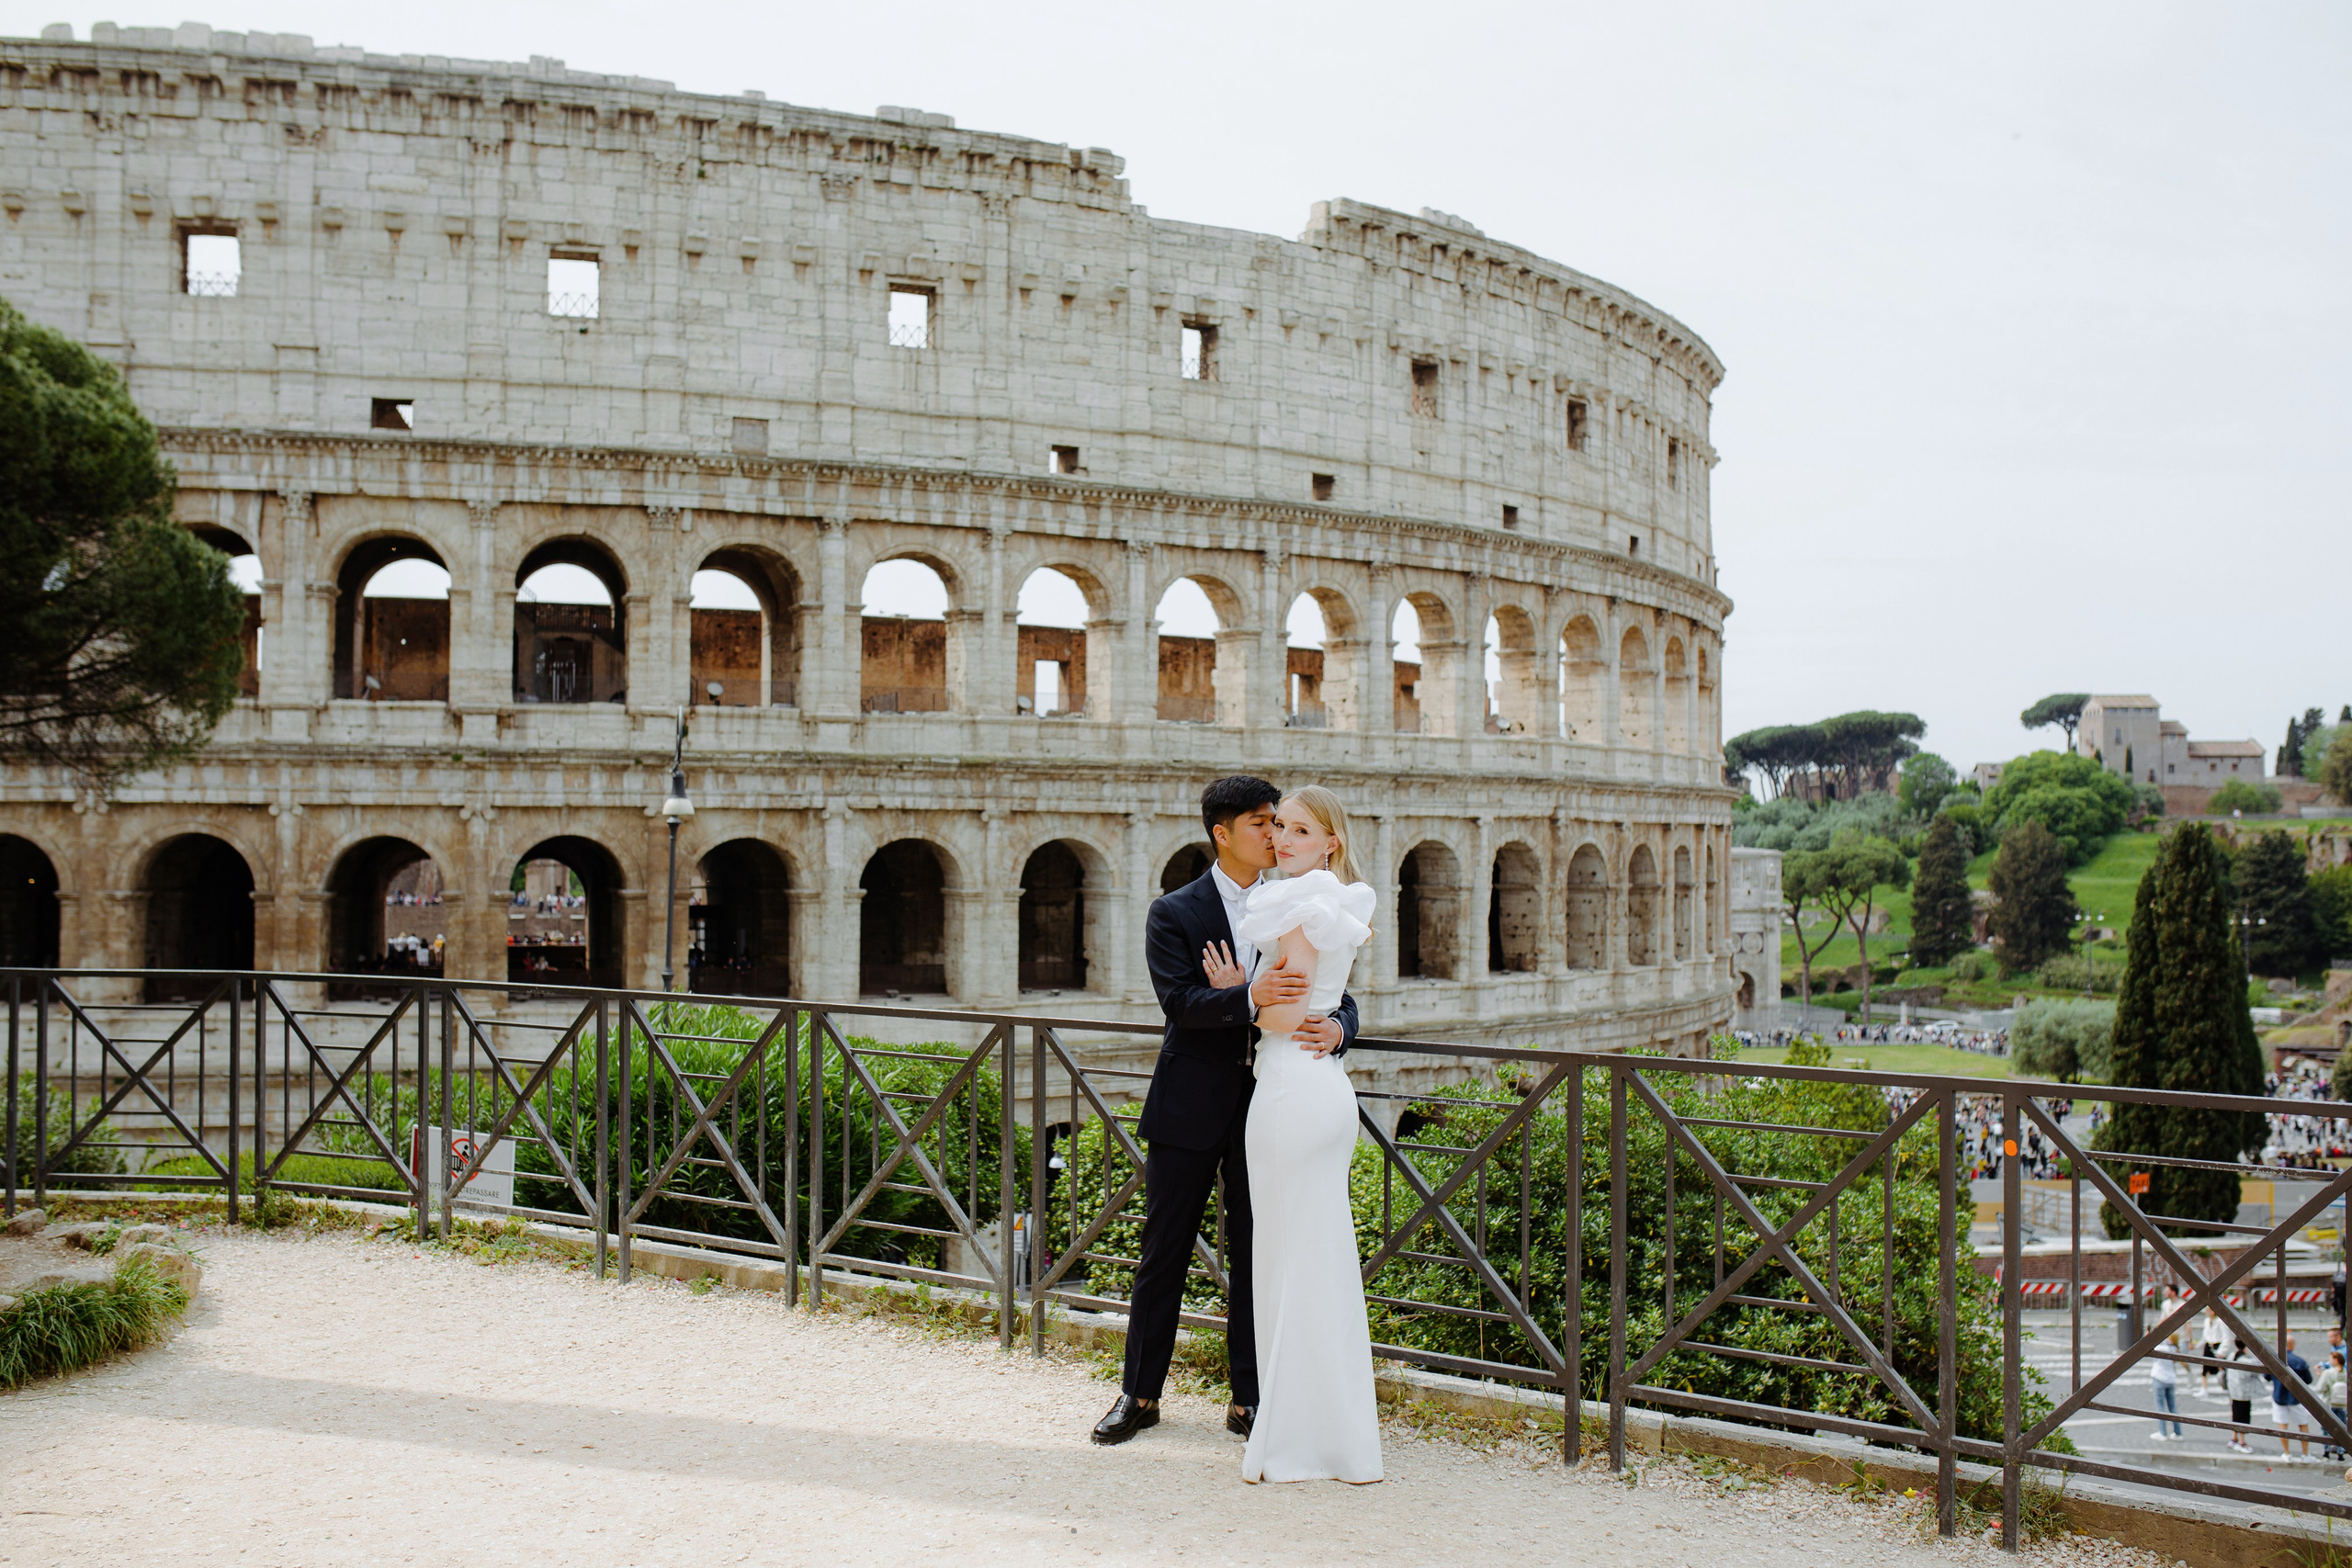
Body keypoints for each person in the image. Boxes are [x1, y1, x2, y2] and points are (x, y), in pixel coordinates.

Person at [1091, 777, 1360, 1449]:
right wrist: (1247, 999)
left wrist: (1344, 1026)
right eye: (1262, 823)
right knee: (1164, 1254)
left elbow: (1334, 985)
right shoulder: (1174, 910)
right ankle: (1140, 1392)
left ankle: (1249, 1399)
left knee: (1255, 1253)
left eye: (1282, 823)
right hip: (1190, 1102)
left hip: (1270, 1104)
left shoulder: (1294, 894)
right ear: (1223, 832)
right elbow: (1178, 1003)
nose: (1275, 834)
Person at [1228, 786, 1381, 1485]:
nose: (1283, 839)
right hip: (1323, 1092)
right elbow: (1320, 998)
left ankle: (1295, 1439)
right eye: (1279, 827)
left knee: (1289, 1259)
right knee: (1321, 1257)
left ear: (1330, 843)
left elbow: (1286, 1016)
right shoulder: (1337, 906)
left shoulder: (1297, 907)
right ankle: (1338, 1438)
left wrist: (1248, 998)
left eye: (1299, 830)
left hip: (1290, 1086)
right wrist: (1307, 1013)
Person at [2273, 1331, 2315, 1459]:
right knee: (2302, 1424)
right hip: (2296, 1398)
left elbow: (2266, 1376)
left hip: (2279, 1397)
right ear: (2292, 1345)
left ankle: (2286, 1453)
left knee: (2282, 1425)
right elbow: (2309, 1380)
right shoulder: (2300, 1362)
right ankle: (2305, 1454)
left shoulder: (2275, 1360)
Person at [2148, 1312, 2183, 1442]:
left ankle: (2162, 1432)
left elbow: (2148, 1344)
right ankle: (2178, 1432)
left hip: (2159, 1377)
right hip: (2171, 1379)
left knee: (2160, 1407)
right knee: (2173, 1406)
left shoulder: (2161, 1347)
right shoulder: (2174, 1348)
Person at [2225, 1337, 2264, 1453]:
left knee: (2235, 1415)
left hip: (2233, 1392)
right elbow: (2257, 1369)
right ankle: (2242, 1442)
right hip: (2244, 1393)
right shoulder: (2247, 1361)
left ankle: (2234, 1438)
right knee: (2243, 1418)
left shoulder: (2232, 1356)